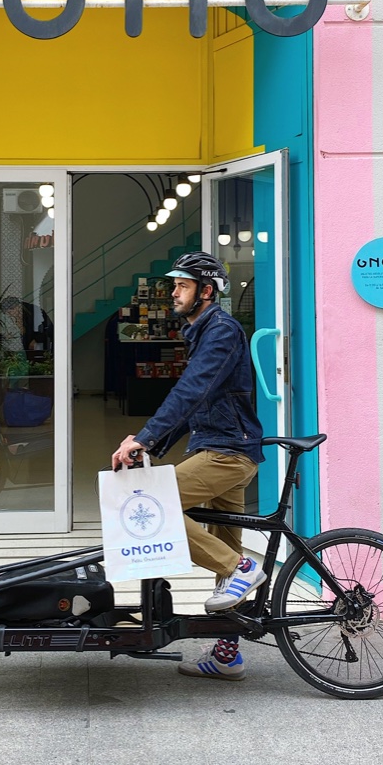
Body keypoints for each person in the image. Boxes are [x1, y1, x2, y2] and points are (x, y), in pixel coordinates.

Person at [111, 251, 264, 682]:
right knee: (223, 558)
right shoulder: (201, 331)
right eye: (173, 285)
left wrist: (144, 439)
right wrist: (151, 447)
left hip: (226, 455)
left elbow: (192, 389)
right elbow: (195, 403)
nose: (172, 293)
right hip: (218, 449)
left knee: (150, 507)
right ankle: (227, 653)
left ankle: (244, 567)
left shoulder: (221, 330)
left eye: (181, 286)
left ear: (206, 291)